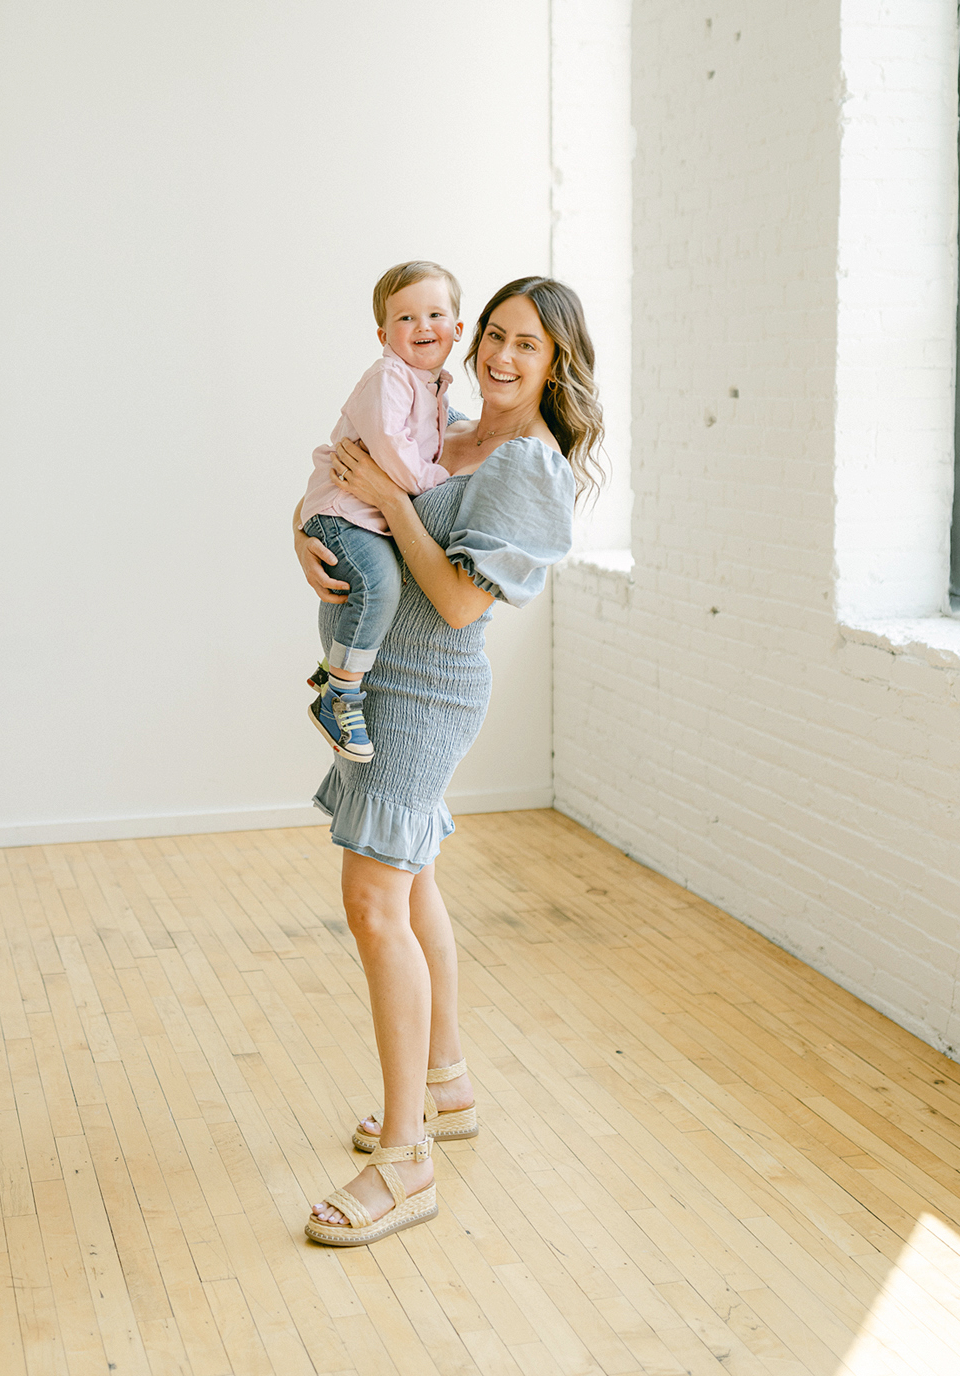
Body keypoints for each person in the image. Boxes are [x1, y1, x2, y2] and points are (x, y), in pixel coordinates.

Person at [295, 276, 604, 1247]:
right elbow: (345, 491)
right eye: (496, 337)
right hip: (383, 676)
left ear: (559, 366)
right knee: (414, 880)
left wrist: (392, 500)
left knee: (374, 902)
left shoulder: (525, 463)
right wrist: (306, 533)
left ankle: (406, 1160)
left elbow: (466, 603)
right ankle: (448, 1088)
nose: (504, 359)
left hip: (428, 693)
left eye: (531, 348)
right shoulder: (447, 424)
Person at [300, 261, 464, 762]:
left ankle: (336, 670)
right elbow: (393, 452)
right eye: (405, 319)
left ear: (457, 329)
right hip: (343, 513)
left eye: (435, 314)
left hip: (357, 514)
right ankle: (339, 696)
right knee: (377, 585)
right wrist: (436, 481)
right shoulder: (390, 378)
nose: (422, 327)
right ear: (382, 334)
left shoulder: (433, 387)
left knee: (379, 582)